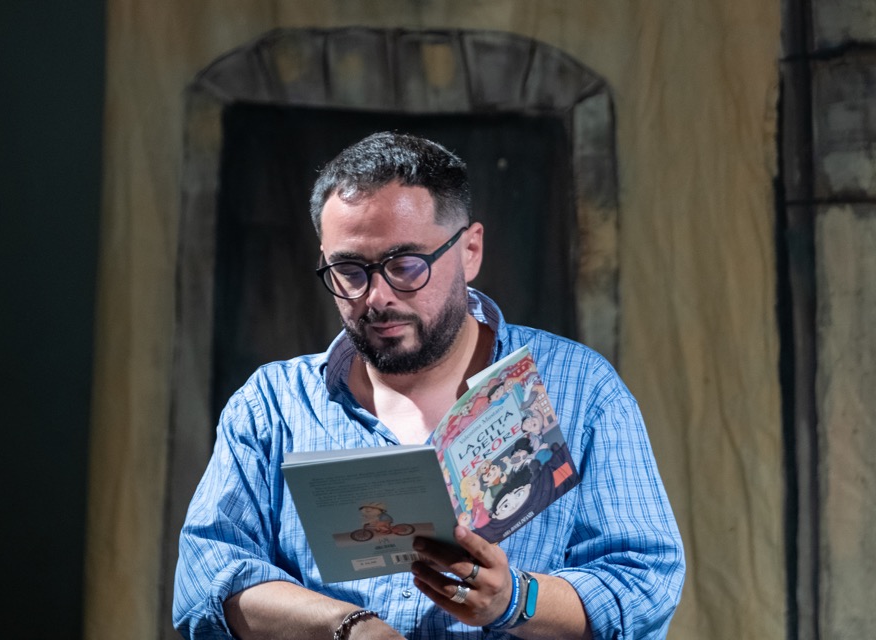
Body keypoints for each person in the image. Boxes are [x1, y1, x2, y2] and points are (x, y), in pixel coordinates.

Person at [173, 132, 685, 639]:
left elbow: (645, 586)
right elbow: (205, 582)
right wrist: (347, 627)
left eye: (405, 265)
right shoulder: (273, 405)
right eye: (349, 271)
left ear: (470, 250)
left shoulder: (580, 388)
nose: (377, 297)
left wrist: (515, 600)